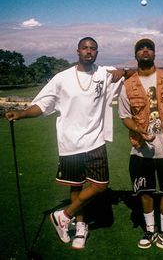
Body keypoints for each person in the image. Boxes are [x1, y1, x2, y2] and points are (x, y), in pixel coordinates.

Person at [5, 37, 127, 250]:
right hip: (70, 143)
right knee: (76, 186)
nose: (89, 51)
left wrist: (124, 72)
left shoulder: (104, 73)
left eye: (93, 48)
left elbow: (135, 74)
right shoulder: (61, 78)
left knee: (100, 185)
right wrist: (22, 114)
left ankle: (63, 215)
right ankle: (79, 226)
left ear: (97, 52)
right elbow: (42, 105)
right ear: (77, 51)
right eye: (85, 48)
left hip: (95, 140)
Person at [118, 38, 163, 255]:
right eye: (141, 49)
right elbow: (125, 117)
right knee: (145, 191)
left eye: (149, 48)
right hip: (141, 148)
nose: (145, 51)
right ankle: (150, 230)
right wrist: (140, 131)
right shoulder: (128, 85)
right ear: (136, 55)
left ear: (154, 54)